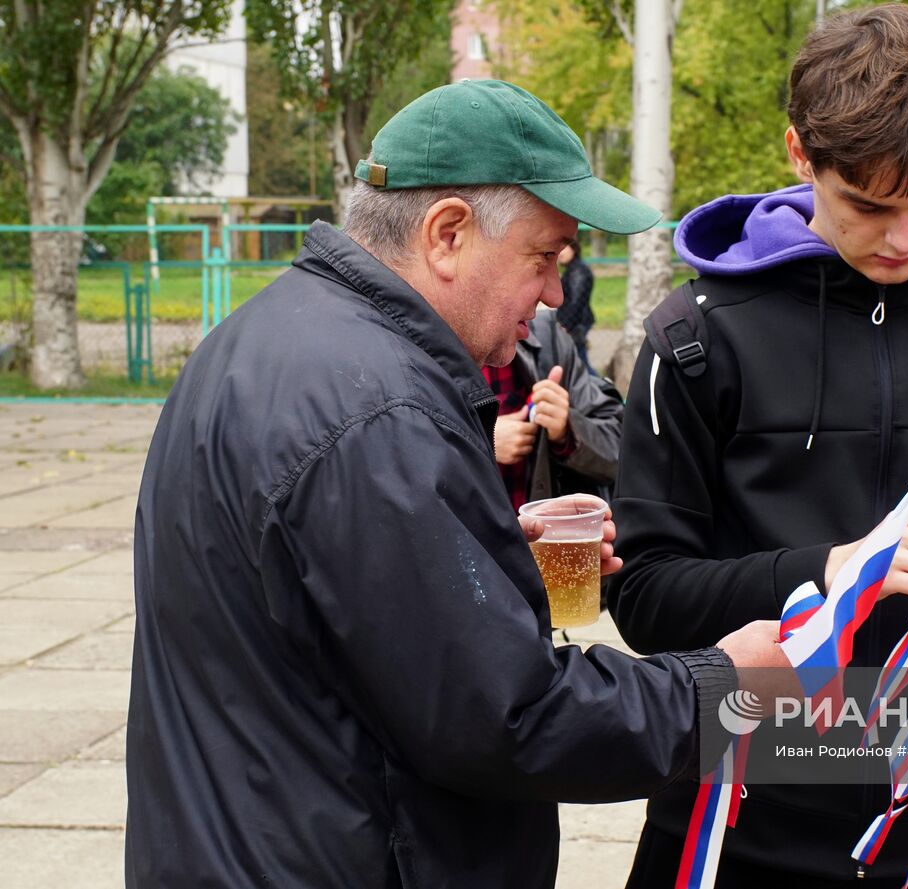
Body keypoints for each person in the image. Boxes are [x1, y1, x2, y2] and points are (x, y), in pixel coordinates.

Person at [125, 79, 791, 889]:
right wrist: (717, 691)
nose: (553, 293)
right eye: (543, 257)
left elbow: (337, 606)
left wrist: (481, 548)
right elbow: (504, 717)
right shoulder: (379, 409)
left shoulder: (266, 338)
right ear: (447, 233)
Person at [608, 7, 908, 888]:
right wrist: (832, 569)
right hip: (733, 824)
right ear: (801, 156)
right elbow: (645, 599)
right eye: (870, 206)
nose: (905, 239)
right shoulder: (695, 336)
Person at [486, 308, 623, 511]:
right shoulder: (425, 353)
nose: (556, 298)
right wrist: (483, 439)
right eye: (538, 274)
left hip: (544, 537)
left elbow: (616, 449)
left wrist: (567, 430)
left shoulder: (548, 339)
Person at [555, 237, 596, 369]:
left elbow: (576, 302)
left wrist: (566, 324)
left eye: (564, 248)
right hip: (576, 322)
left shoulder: (578, 271)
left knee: (580, 364)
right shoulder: (573, 269)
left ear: (574, 249)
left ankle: (601, 388)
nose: (560, 252)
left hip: (577, 323)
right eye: (558, 249)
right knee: (577, 362)